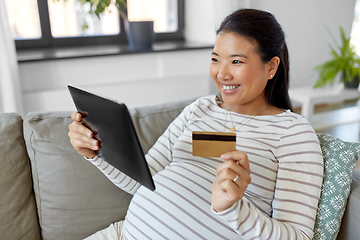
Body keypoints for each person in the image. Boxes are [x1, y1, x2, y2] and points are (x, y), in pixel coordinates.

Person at [68, 8, 323, 240]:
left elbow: (299, 236)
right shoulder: (200, 108)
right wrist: (97, 153)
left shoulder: (293, 133)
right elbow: (141, 181)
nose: (221, 73)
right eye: (215, 59)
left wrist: (234, 209)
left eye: (236, 61)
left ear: (271, 67)